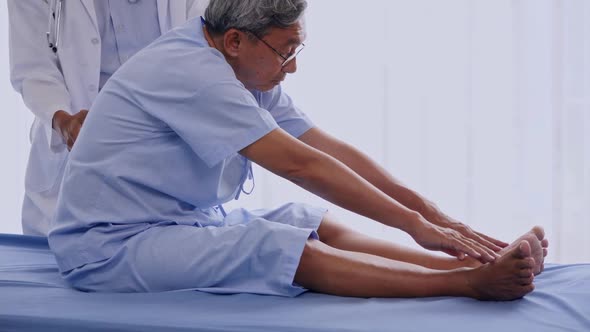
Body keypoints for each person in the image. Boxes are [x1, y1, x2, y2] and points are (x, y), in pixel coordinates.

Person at [48, 0, 548, 300]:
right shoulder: (190, 71)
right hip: (109, 248)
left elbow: (326, 147)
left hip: (178, 222)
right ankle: (467, 285)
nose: (291, 67)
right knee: (276, 248)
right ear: (238, 40)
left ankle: (472, 263)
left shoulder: (237, 63)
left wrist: (433, 214)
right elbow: (300, 164)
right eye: (286, 50)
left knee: (306, 219)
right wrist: (415, 228)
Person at [8, 0, 208, 236]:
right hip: (75, 157)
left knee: (173, 249)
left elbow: (207, 45)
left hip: (166, 153)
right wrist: (63, 120)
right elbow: (33, 69)